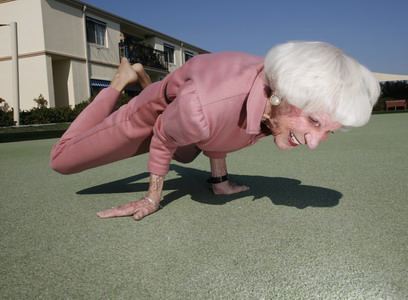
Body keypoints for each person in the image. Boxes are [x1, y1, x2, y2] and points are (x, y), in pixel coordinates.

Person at [50, 41, 380, 221]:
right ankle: (120, 83)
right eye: (315, 123)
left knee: (190, 138)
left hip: (188, 121)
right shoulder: (205, 108)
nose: (314, 143)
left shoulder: (278, 103)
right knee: (63, 160)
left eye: (328, 132)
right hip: (156, 117)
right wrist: (153, 198)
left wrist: (219, 182)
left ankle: (149, 83)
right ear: (284, 94)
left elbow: (228, 129)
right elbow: (166, 134)